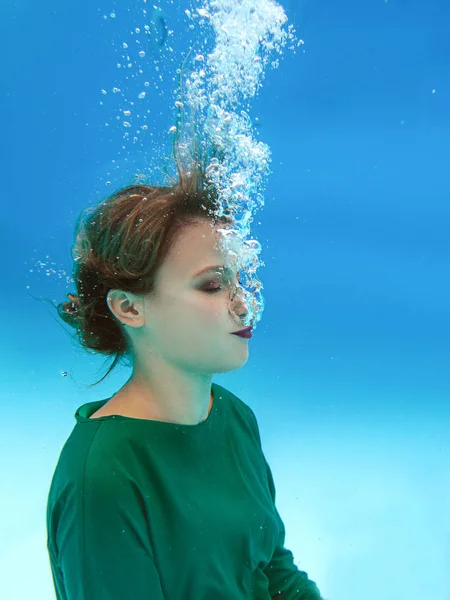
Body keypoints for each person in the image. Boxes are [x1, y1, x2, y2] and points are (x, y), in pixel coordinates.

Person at [45, 163, 325, 599]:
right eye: (212, 286)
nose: (243, 305)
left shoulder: (233, 417)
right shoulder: (102, 478)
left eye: (237, 280)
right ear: (130, 308)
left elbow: (273, 573)